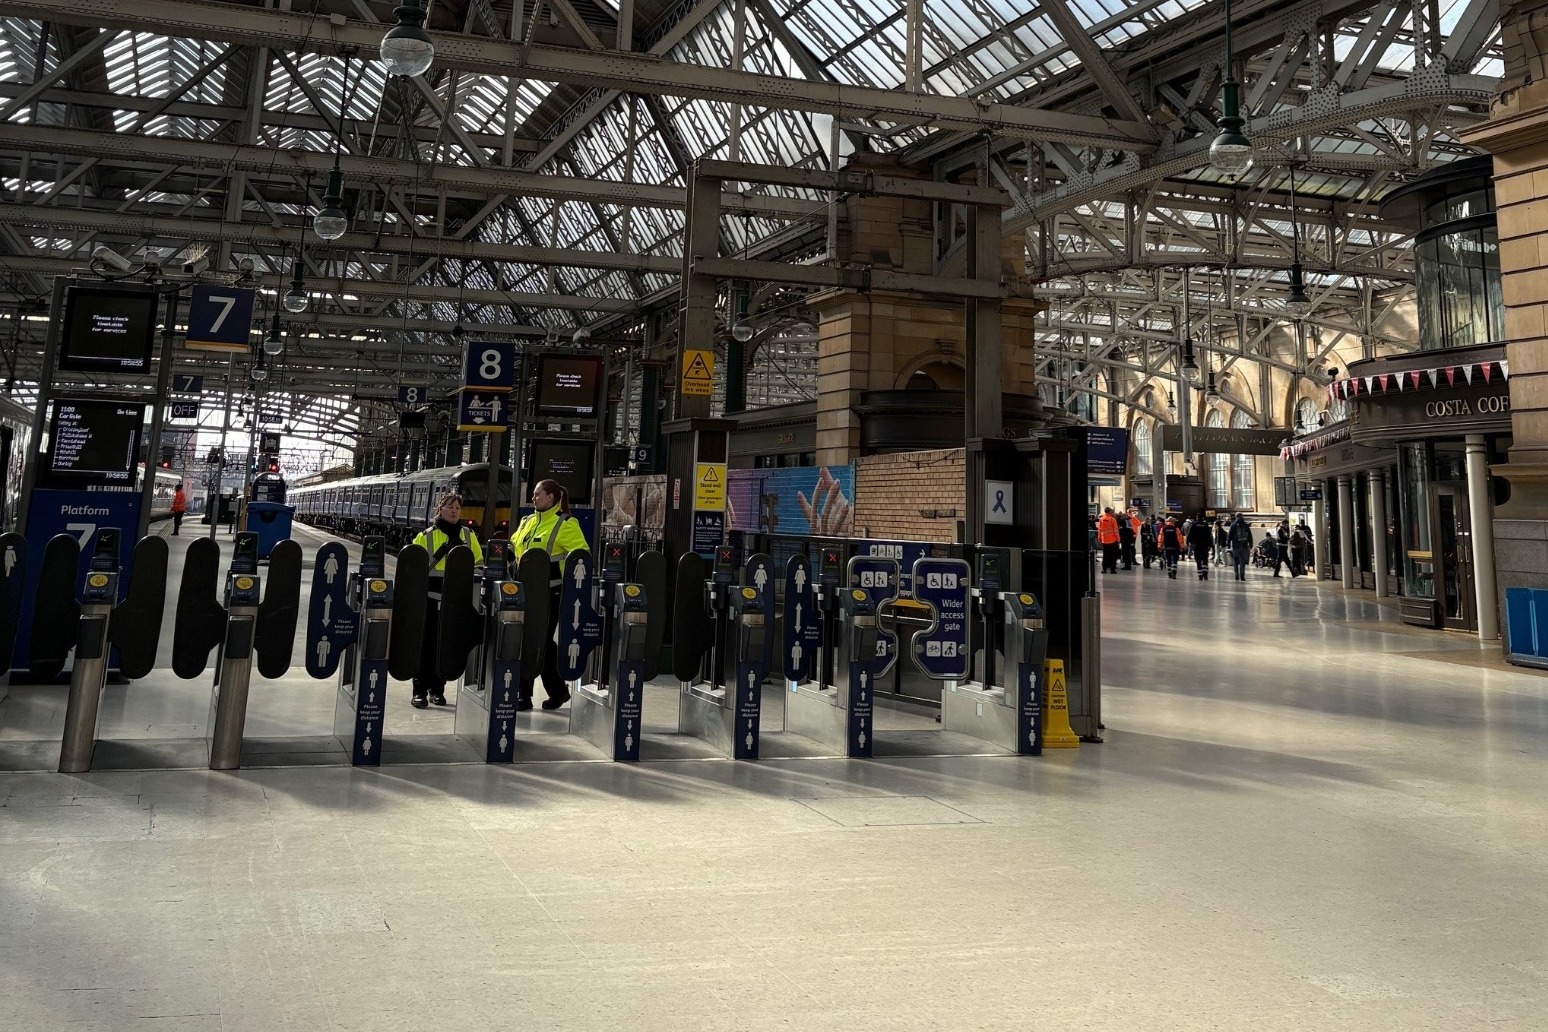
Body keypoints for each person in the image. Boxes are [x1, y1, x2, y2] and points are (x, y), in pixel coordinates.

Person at [512, 478, 590, 711]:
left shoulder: (565, 524)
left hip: (549, 594)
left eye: (537, 494)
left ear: (552, 497)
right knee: (528, 641)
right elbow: (514, 546)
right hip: (522, 592)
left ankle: (526, 695)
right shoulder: (527, 521)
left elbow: (581, 556)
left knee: (538, 641)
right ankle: (554, 692)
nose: (533, 498)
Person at [411, 492, 483, 709]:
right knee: (426, 646)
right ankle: (419, 690)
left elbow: (478, 564)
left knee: (446, 646)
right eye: (450, 507)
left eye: (458, 508)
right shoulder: (425, 537)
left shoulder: (469, 537)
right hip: (430, 601)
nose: (454, 511)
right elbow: (413, 568)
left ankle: (437, 690)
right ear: (440, 509)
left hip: (455, 603)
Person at [1186, 511, 1214, 580]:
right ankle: (1205, 574)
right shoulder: (1205, 525)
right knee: (1205, 560)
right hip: (1204, 545)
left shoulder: (1194, 524)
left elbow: (1189, 535)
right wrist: (1210, 544)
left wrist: (1188, 542)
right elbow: (1209, 535)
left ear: (1197, 517)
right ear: (1203, 517)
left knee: (1198, 560)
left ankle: (1200, 575)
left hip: (1196, 545)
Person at [1229, 514, 1253, 581]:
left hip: (1235, 546)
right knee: (1242, 562)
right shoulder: (1245, 525)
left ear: (1236, 517)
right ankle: (1242, 576)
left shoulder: (1233, 525)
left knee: (1235, 560)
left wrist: (1228, 544)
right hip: (1244, 546)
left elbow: (1229, 536)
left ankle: (1236, 574)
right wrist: (1250, 545)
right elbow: (1250, 536)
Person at [1096, 507, 1121, 574]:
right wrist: (1118, 539)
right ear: (1109, 512)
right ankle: (1112, 570)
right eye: (1112, 512)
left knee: (1105, 556)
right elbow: (1116, 530)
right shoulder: (1112, 519)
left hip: (1104, 540)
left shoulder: (1101, 519)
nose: (1113, 513)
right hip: (1112, 540)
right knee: (1113, 556)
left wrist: (1099, 538)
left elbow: (1099, 529)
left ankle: (1104, 569)